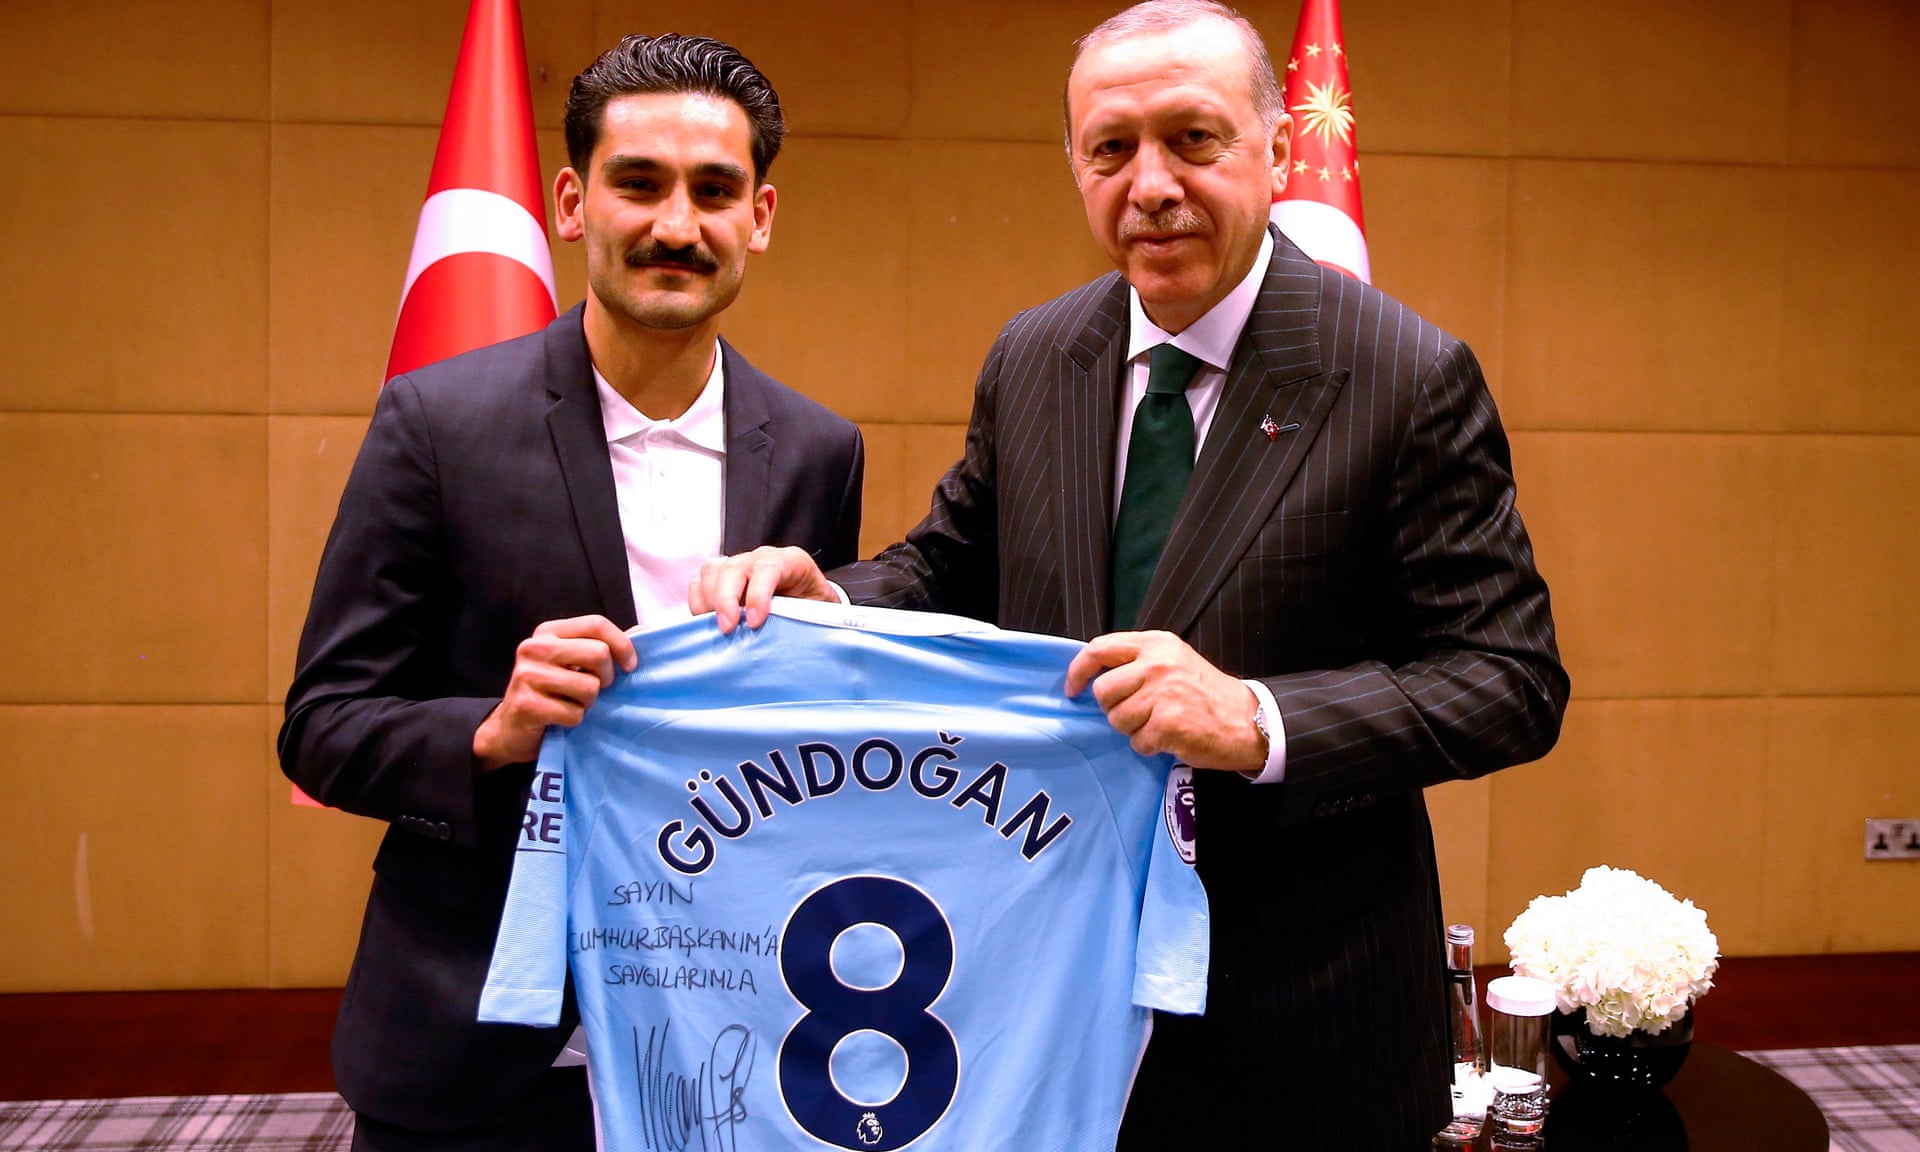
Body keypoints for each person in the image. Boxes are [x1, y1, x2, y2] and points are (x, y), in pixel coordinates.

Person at [691, 1, 1568, 1147]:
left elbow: (1509, 679)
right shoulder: (1037, 354)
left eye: (1192, 139)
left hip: (1304, 1024)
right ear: (1075, 165)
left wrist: (1258, 722)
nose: (1151, 185)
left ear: (1272, 149)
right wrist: (837, 602)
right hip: (1043, 996)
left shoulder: (1402, 374)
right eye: (1111, 149)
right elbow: (956, 560)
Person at [280, 34, 863, 1152]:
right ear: (569, 201)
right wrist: (490, 732)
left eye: (714, 191)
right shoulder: (436, 423)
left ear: (760, 217)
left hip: (733, 1038)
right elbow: (322, 726)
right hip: (472, 1038)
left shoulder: (819, 451)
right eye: (638, 183)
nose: (677, 226)